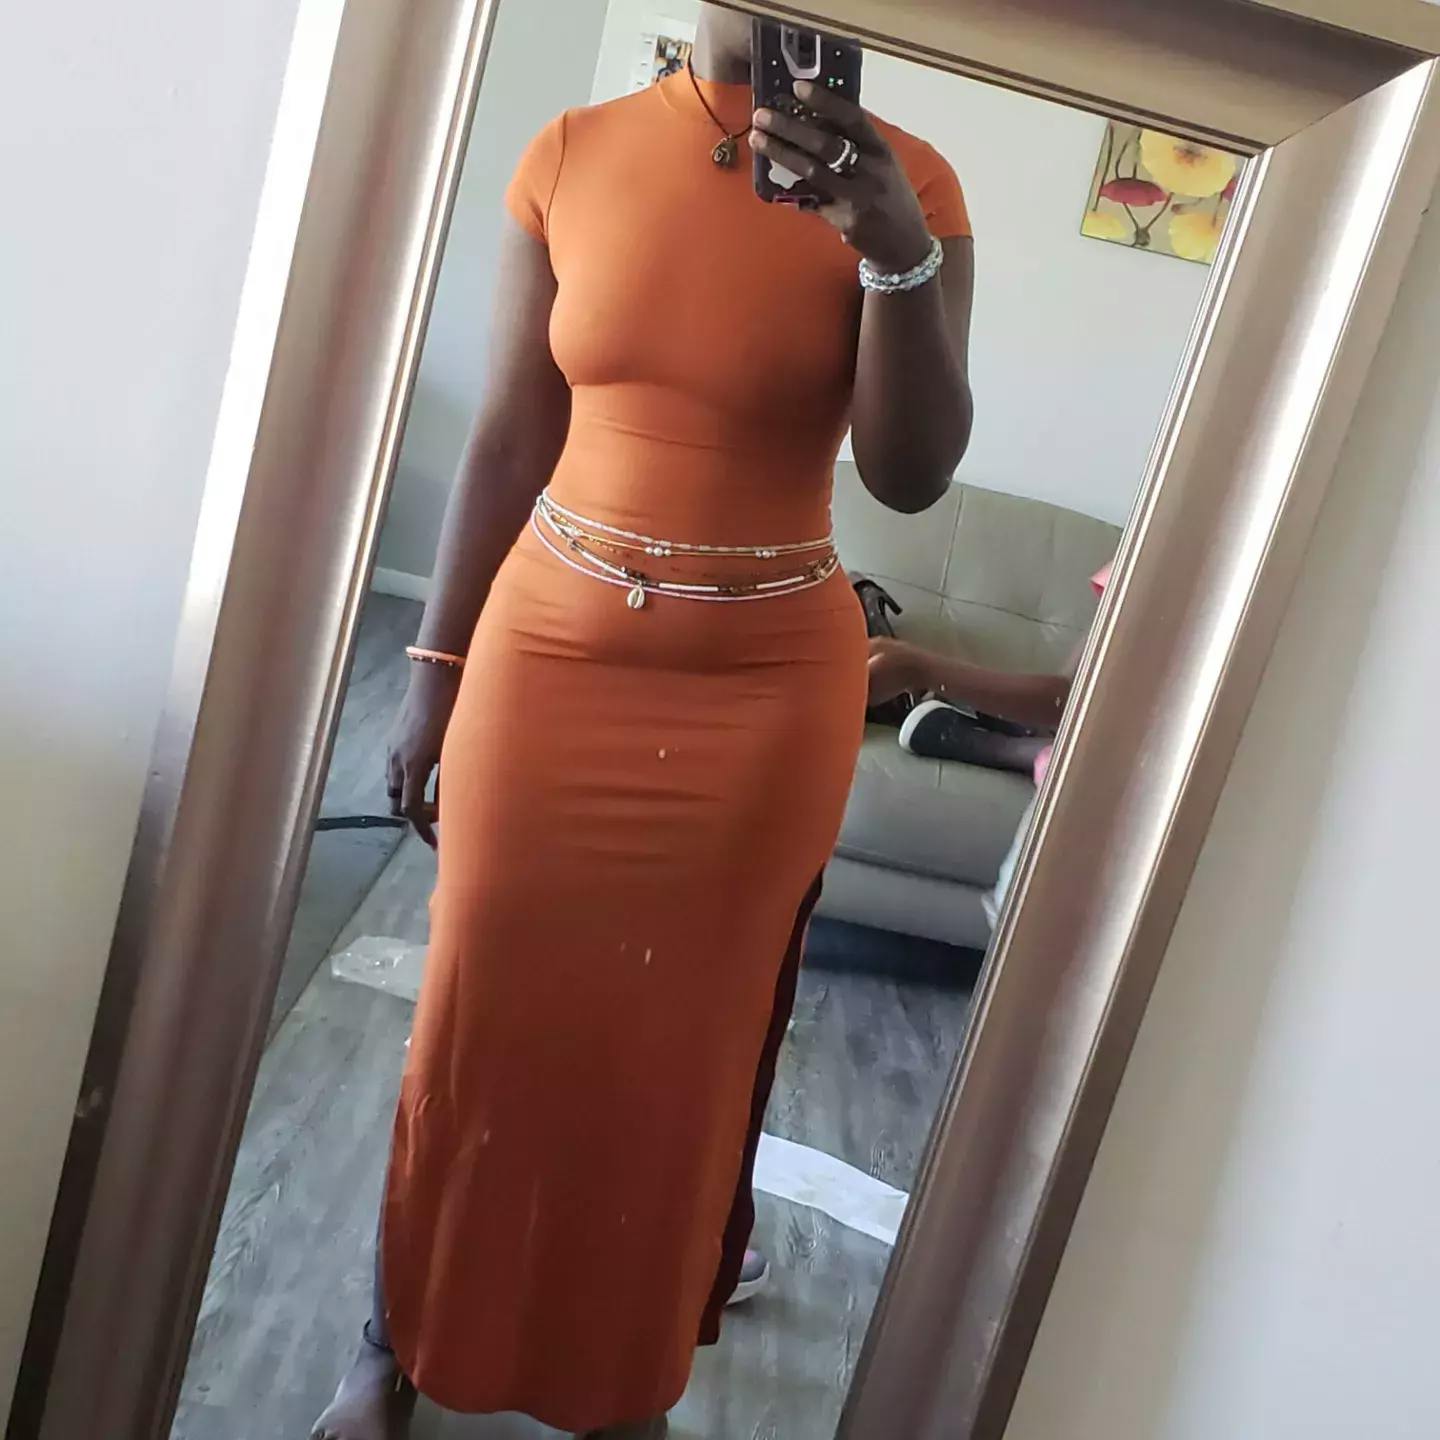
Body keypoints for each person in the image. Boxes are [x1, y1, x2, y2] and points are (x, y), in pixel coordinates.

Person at [312, 8, 973, 1439]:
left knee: (684, 1051)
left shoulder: (911, 179)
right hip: (545, 662)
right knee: (477, 1015)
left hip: (763, 696)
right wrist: (433, 672)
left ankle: (629, 1378)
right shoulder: (572, 151)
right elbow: (510, 433)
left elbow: (910, 473)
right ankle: (395, 1339)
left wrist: (890, 246)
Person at [866, 561, 1112, 926]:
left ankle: (1017, 743)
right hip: (1092, 755)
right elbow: (1071, 693)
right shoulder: (1148, 558)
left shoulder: (1169, 560)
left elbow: (1067, 701)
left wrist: (921, 668)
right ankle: (1024, 740)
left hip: (1106, 785)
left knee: (1018, 921)